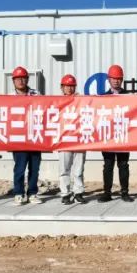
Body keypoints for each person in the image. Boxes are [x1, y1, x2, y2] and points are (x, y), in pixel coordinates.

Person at [10, 66, 43, 205]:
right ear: (13, 81)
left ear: (28, 79)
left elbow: (44, 109)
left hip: (34, 136)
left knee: (34, 168)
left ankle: (32, 193)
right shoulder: (8, 98)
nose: (21, 81)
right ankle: (18, 193)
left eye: (23, 78)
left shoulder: (36, 94)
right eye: (18, 79)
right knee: (19, 168)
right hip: (18, 138)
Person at [100, 64, 132, 202]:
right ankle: (107, 192)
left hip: (123, 135)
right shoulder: (102, 97)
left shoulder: (129, 96)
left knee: (123, 165)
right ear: (109, 79)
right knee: (108, 165)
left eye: (119, 78)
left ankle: (124, 192)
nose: (116, 81)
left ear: (122, 80)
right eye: (114, 78)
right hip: (108, 137)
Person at [57, 74, 88, 205]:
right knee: (64, 169)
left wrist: (82, 100)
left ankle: (78, 192)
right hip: (64, 140)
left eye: (72, 86)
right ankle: (65, 193)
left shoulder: (81, 100)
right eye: (67, 86)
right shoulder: (57, 102)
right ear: (62, 87)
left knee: (79, 168)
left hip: (78, 139)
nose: (69, 89)